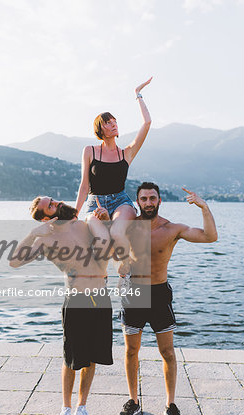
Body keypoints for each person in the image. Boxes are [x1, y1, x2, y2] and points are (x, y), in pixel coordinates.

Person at [9, 196, 114, 415]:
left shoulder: (84, 223)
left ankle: (82, 407)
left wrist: (105, 221)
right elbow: (14, 262)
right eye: (52, 204)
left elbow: (105, 249)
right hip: (75, 301)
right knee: (71, 359)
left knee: (93, 357)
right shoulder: (46, 239)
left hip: (100, 297)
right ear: (47, 218)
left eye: (54, 200)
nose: (57, 202)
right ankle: (66, 409)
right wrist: (33, 233)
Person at [118, 182, 218, 415]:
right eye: (144, 199)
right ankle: (133, 400)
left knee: (168, 352)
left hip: (160, 294)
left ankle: (170, 404)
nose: (149, 203)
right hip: (134, 293)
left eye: (153, 198)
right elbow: (112, 256)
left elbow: (210, 237)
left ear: (159, 201)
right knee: (131, 351)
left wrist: (204, 207)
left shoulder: (171, 229)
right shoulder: (128, 228)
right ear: (138, 202)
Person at [75, 78, 152, 279]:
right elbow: (84, 186)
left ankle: (124, 272)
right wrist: (74, 215)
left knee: (117, 233)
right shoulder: (89, 151)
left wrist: (138, 93)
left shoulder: (126, 153)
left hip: (120, 202)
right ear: (100, 130)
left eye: (114, 121)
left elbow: (147, 123)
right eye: (108, 122)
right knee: (102, 238)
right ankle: (100, 277)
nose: (113, 124)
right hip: (95, 204)